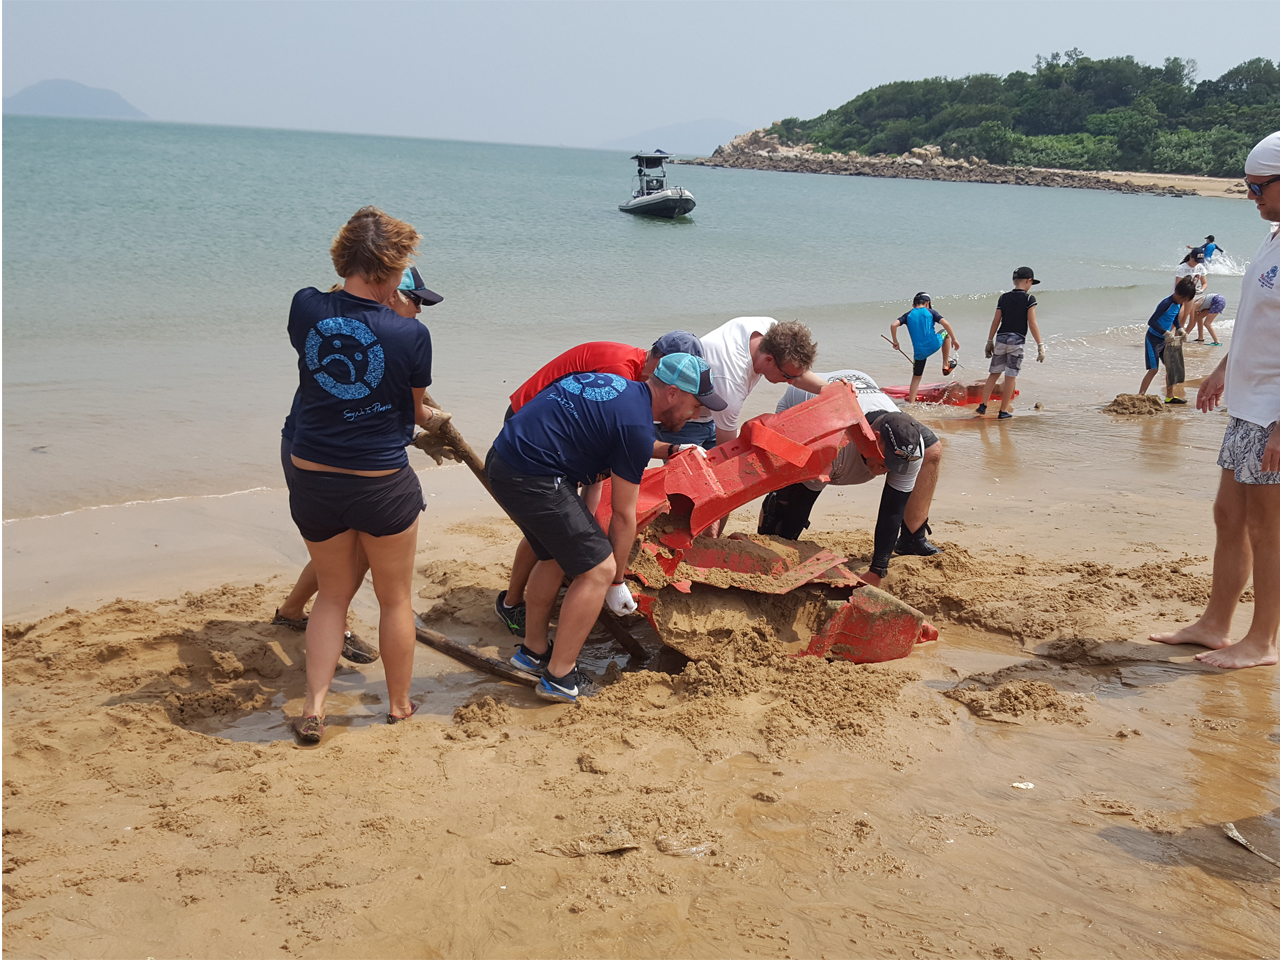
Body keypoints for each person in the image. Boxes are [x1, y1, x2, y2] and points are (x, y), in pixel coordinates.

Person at [285, 207, 452, 744]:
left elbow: (335, 323)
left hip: (313, 475)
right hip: (380, 482)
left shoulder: (305, 306)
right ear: (395, 268)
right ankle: (399, 704)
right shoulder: (410, 335)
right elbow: (416, 412)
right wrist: (436, 421)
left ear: (343, 257)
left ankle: (314, 706)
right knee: (394, 598)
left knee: (333, 595)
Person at [486, 354, 724, 702]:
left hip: (506, 460)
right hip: (535, 477)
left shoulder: (621, 390)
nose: (697, 414)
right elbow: (624, 515)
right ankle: (559, 677)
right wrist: (616, 581)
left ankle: (533, 653)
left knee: (553, 557)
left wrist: (671, 449)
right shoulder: (636, 426)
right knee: (598, 569)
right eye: (695, 404)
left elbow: (619, 435)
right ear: (673, 393)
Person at [1151, 131, 1280, 670]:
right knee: (1228, 514)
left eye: (1258, 187)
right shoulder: (1275, 238)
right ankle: (1215, 625)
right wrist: (1222, 369)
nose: (1251, 197)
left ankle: (1263, 642)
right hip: (1248, 403)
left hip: (1274, 411)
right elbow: (1259, 320)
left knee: (1267, 527)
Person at [272, 266, 443, 665]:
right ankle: (330, 622)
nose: (419, 311)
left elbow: (372, 419)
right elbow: (360, 415)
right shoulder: (358, 336)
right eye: (416, 301)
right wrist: (429, 422)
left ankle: (294, 612)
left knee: (345, 552)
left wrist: (416, 434)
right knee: (348, 552)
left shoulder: (391, 341)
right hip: (310, 450)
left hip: (335, 453)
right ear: (390, 294)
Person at [493, 331, 703, 637]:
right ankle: (513, 606)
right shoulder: (618, 375)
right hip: (535, 428)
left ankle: (526, 623)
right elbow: (606, 468)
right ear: (658, 360)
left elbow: (607, 455)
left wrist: (670, 450)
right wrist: (590, 537)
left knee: (555, 539)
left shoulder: (635, 379)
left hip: (536, 437)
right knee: (554, 531)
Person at [759, 370, 944, 582]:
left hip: (864, 391)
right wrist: (785, 547)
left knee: (933, 451)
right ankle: (772, 526)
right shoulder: (835, 443)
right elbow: (802, 501)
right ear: (874, 439)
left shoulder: (911, 450)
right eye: (887, 463)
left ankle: (913, 538)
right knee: (785, 512)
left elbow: (892, 510)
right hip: (800, 406)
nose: (889, 470)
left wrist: (877, 570)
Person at [976, 267, 1045, 419]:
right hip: (1017, 340)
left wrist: (989, 341)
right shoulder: (1029, 299)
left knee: (993, 374)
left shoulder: (1003, 298)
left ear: (1014, 281)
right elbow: (1032, 323)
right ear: (1028, 281)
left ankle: (983, 405)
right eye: (1031, 283)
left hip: (1001, 338)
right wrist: (1040, 345)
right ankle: (1003, 411)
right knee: (1010, 377)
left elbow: (996, 321)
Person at [889, 293, 959, 402]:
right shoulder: (930, 312)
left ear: (913, 305)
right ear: (927, 303)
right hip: (934, 344)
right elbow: (945, 323)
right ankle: (946, 365)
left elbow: (893, 325)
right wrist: (954, 339)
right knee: (946, 333)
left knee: (916, 377)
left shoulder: (908, 315)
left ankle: (911, 404)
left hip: (919, 353)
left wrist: (895, 342)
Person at [1138, 278, 1196, 401]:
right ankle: (1140, 396)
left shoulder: (1178, 303)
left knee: (1171, 368)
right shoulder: (1166, 303)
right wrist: (1165, 332)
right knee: (1153, 370)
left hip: (1165, 340)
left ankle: (1169, 397)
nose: (1185, 302)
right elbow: (1151, 321)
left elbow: (1174, 318)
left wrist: (1180, 329)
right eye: (1185, 299)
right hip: (1153, 339)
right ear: (1179, 294)